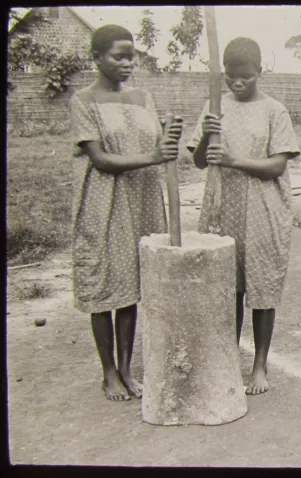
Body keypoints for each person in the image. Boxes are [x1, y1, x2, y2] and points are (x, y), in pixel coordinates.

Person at [70, 25, 182, 401]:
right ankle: (108, 373)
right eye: (118, 56)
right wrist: (153, 155)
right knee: (105, 284)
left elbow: (156, 146)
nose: (126, 63)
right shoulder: (84, 101)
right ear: (97, 58)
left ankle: (126, 368)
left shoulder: (142, 97)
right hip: (106, 200)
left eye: (130, 55)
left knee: (132, 286)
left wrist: (168, 137)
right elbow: (100, 159)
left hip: (143, 199)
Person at [187, 37, 300, 395]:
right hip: (223, 208)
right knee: (227, 289)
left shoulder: (273, 110)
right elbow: (200, 160)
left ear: (259, 73)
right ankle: (228, 360)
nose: (238, 83)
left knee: (262, 288)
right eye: (231, 77)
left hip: (263, 208)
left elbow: (277, 165)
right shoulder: (214, 107)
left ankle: (260, 366)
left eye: (246, 77)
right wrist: (207, 135)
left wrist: (234, 160)